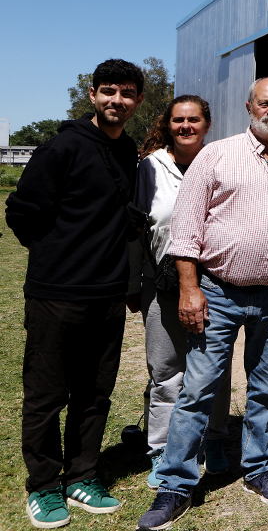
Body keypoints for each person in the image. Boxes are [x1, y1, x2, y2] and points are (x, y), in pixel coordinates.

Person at [136, 77, 268, 531]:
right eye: (264, 103)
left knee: (266, 389)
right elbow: (186, 228)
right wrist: (189, 288)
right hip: (218, 291)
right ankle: (175, 484)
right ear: (249, 107)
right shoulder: (217, 155)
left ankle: (261, 469)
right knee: (198, 389)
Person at [6, 58, 145, 528]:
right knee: (46, 395)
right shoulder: (61, 147)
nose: (117, 100)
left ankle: (83, 475)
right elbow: (21, 213)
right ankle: (44, 486)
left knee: (95, 392)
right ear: (92, 95)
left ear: (137, 101)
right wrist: (59, 255)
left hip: (107, 295)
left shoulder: (127, 150)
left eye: (126, 93)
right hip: (57, 294)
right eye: (109, 91)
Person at [129, 96, 233, 489]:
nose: (186, 126)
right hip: (162, 283)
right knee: (166, 370)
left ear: (207, 124)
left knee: (214, 368)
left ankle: (214, 439)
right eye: (178, 120)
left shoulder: (222, 161)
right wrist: (133, 283)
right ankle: (162, 448)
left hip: (216, 283)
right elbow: (136, 228)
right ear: (168, 124)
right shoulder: (150, 167)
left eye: (193, 119)